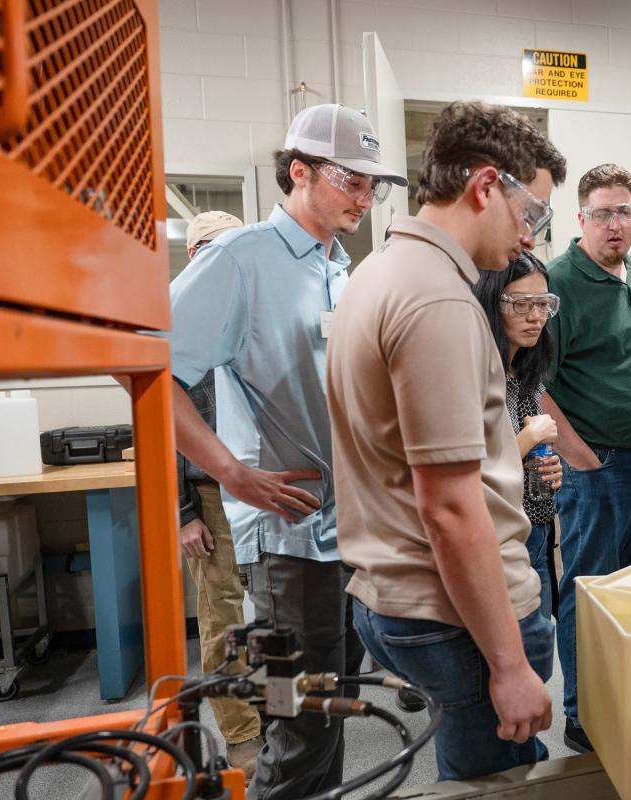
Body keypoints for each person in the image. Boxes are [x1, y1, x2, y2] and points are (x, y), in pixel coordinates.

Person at [166, 104, 406, 799]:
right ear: (297, 171)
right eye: (349, 181)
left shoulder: (337, 265)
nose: (364, 199)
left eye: (372, 186)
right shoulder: (241, 261)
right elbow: (152, 376)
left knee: (321, 716)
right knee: (296, 724)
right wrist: (231, 473)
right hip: (285, 545)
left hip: (341, 534)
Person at [326, 100, 567, 781]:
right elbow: (450, 506)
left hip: (397, 593)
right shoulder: (436, 299)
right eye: (532, 214)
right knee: (490, 783)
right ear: (486, 186)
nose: (529, 238)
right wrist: (511, 665)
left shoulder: (377, 272)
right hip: (455, 614)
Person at [540, 163, 631, 753]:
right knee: (591, 592)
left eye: (624, 212)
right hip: (597, 469)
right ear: (580, 219)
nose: (614, 224)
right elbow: (533, 381)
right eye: (601, 213)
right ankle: (584, 714)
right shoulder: (558, 281)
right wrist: (577, 454)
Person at [173, 209, 264, 779]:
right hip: (209, 499)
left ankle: (280, 715)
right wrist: (185, 513)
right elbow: (158, 426)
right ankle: (242, 734)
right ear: (193, 255)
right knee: (225, 618)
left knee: (279, 615)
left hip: (267, 490)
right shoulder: (177, 322)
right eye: (214, 247)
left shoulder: (251, 314)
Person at [472, 252, 563, 620]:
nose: (535, 317)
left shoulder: (525, 371)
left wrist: (552, 468)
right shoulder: (477, 374)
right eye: (521, 304)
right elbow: (476, 470)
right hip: (498, 542)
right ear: (492, 303)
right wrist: (527, 441)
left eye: (543, 304)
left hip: (536, 530)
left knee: (537, 657)